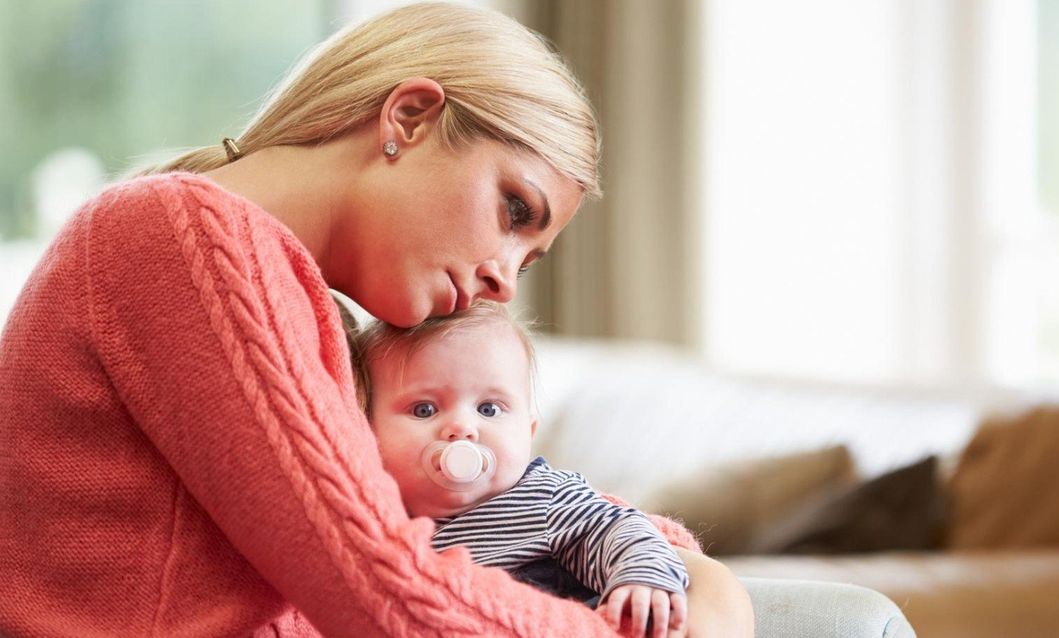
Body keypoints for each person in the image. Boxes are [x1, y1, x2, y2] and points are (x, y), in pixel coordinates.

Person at [0, 2, 752, 637]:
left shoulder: (297, 304)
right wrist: (667, 618)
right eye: (513, 209)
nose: (501, 281)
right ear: (412, 116)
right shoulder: (177, 236)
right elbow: (386, 594)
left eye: (527, 261)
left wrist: (673, 560)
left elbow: (452, 511)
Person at [355, 301, 688, 637]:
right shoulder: (375, 517)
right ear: (366, 429)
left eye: (488, 408)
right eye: (424, 409)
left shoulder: (544, 498)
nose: (462, 427)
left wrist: (641, 576)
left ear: (528, 434)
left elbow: (617, 529)